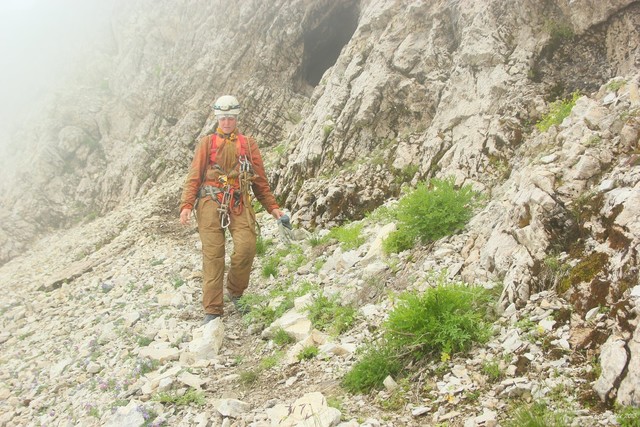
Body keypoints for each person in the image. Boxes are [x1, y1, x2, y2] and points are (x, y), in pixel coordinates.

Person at [179, 95, 284, 324]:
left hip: (239, 200)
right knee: (214, 255)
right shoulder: (206, 143)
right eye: (223, 117)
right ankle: (212, 309)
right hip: (210, 201)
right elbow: (194, 176)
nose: (227, 122)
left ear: (236, 118)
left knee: (247, 246)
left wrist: (273, 208)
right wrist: (187, 205)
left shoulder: (248, 144)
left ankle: (235, 291)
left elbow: (260, 181)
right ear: (218, 118)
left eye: (231, 117)